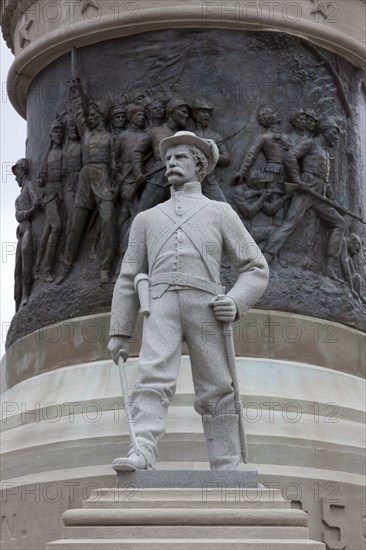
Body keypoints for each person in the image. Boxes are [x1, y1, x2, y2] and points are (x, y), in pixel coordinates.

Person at [108, 131, 269, 471]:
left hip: (207, 306)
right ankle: (142, 450)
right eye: (167, 159)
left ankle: (226, 461)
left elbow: (255, 267)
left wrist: (236, 301)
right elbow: (127, 277)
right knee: (151, 379)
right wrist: (120, 333)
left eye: (180, 158)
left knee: (217, 386)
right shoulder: (146, 219)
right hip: (160, 304)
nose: (170, 163)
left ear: (200, 167)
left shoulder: (220, 212)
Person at [262, 115, 346, 279]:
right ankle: (265, 258)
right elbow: (290, 157)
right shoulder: (310, 143)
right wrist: (297, 180)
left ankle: (330, 267)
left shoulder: (326, 153)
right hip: (306, 191)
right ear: (324, 130)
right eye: (334, 132)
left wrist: (334, 202)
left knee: (340, 223)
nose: (336, 137)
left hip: (319, 195)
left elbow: (325, 181)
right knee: (290, 223)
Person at [56, 77, 117, 285]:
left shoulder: (111, 138)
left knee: (108, 221)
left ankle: (105, 267)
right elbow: (78, 111)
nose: (89, 117)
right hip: (84, 179)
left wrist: (113, 187)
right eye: (89, 114)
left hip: (104, 179)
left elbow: (116, 164)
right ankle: (66, 265)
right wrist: (75, 91)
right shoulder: (86, 132)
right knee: (75, 225)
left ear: (101, 116)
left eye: (93, 114)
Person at [13, 158, 41, 309]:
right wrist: (27, 213)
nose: (16, 177)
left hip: (29, 230)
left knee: (26, 261)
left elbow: (36, 202)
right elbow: (17, 215)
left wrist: (28, 213)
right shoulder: (18, 198)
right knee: (17, 270)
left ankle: (26, 294)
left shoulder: (29, 186)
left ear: (22, 171)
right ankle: (18, 303)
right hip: (21, 232)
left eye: (16, 173)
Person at [191, 99, 231, 202]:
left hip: (210, 182)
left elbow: (227, 159)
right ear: (195, 114)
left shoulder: (216, 136)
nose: (206, 115)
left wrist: (213, 154)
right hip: (191, 182)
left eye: (208, 112)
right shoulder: (188, 135)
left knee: (224, 208)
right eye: (203, 112)